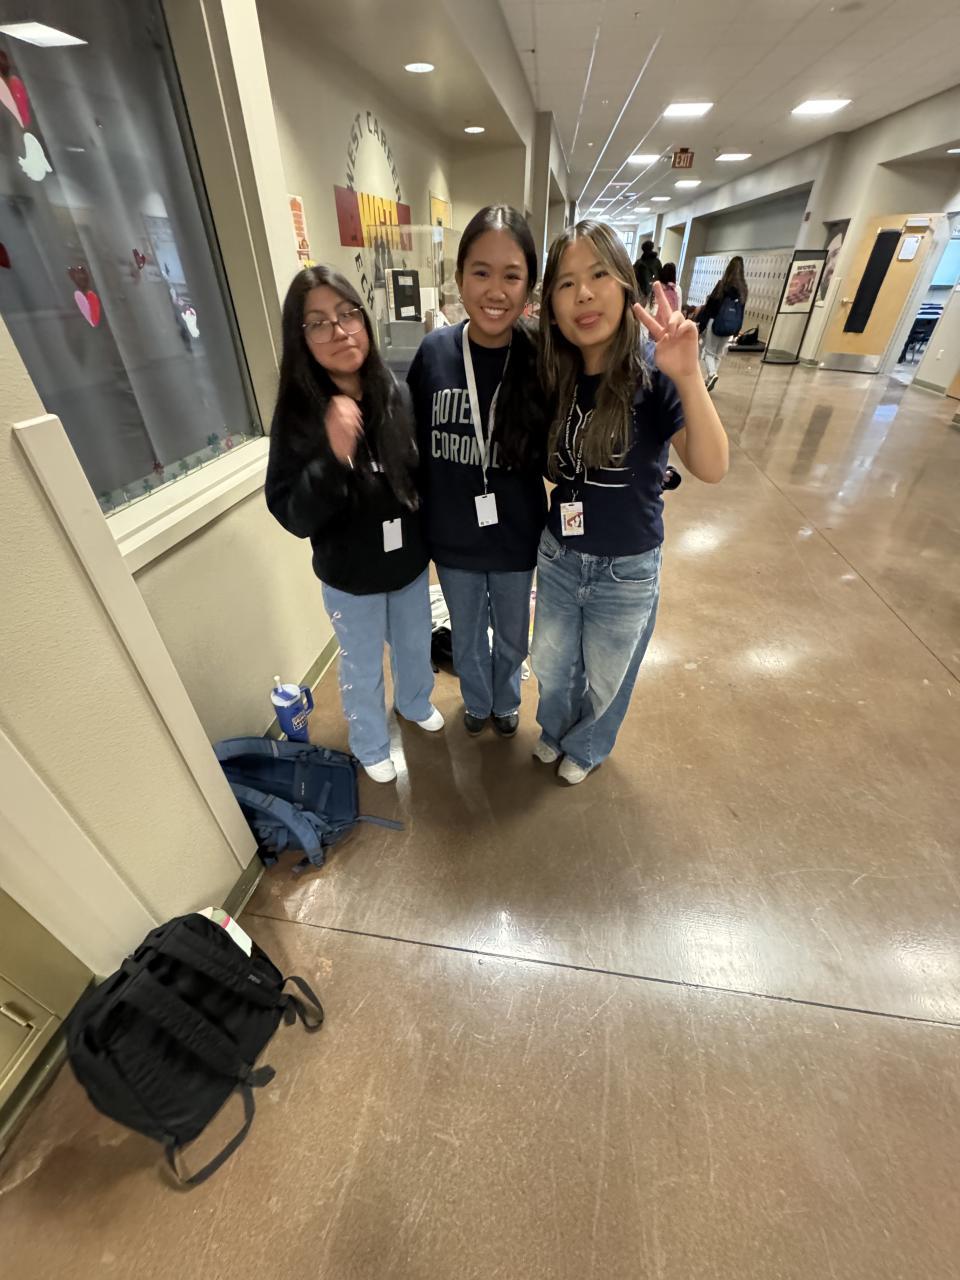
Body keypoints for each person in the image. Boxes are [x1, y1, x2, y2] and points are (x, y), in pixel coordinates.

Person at [532, 220, 729, 785]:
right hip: (560, 556)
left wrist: (688, 376)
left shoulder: (654, 371)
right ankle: (554, 730)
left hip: (627, 568)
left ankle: (588, 745)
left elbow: (712, 466)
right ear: (551, 306)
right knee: (551, 665)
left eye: (598, 275)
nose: (584, 294)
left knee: (608, 676)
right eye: (566, 283)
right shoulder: (554, 374)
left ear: (625, 284)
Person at [265, 266, 443, 784]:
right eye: (319, 322)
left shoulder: (395, 392)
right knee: (362, 666)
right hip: (350, 576)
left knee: (415, 645)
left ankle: (414, 702)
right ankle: (369, 742)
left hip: (408, 564)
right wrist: (332, 454)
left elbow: (418, 475)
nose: (340, 331)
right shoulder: (299, 414)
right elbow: (292, 513)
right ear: (301, 337)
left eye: (348, 315)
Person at [407, 205, 547, 739]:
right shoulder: (434, 352)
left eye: (511, 276)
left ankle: (506, 700)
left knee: (512, 635)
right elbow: (409, 442)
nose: (495, 290)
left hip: (516, 536)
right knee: (466, 634)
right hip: (454, 538)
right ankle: (477, 699)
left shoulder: (540, 357)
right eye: (481, 272)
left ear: (529, 285)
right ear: (460, 277)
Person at [695, 255, 747, 392]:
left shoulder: (722, 285)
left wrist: (701, 324)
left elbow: (710, 306)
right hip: (729, 327)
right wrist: (737, 330)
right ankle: (709, 379)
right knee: (718, 354)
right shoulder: (743, 290)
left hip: (715, 323)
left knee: (708, 352)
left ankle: (712, 374)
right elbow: (741, 312)